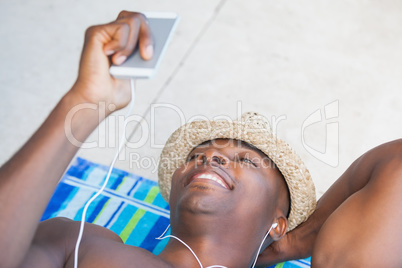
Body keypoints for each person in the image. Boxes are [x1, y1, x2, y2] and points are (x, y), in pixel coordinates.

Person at [0, 10, 401, 268]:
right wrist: (85, 100)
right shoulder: (83, 243)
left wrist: (296, 243)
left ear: (277, 223)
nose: (212, 159)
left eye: (246, 161)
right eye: (197, 156)